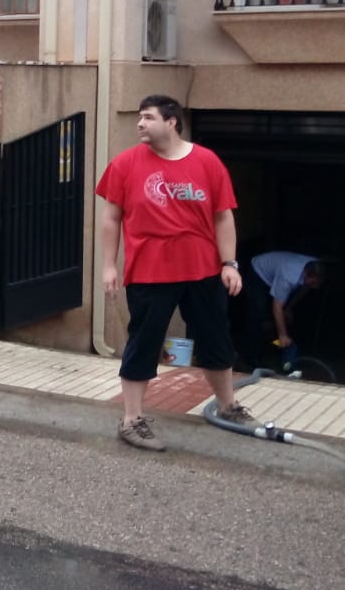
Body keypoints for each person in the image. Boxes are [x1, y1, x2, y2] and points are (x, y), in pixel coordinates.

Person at [97, 94, 256, 451]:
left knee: (216, 338)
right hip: (149, 271)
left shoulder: (207, 162)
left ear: (171, 122)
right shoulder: (124, 164)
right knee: (144, 342)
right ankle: (131, 419)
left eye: (148, 117)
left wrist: (229, 264)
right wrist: (109, 264)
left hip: (202, 270)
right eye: (139, 117)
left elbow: (223, 216)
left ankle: (228, 406)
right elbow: (110, 219)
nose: (139, 123)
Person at [245, 251, 327, 362]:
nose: (316, 287)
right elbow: (277, 307)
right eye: (313, 283)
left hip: (279, 269)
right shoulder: (288, 276)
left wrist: (289, 308)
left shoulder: (315, 266)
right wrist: (282, 335)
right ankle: (253, 357)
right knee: (257, 313)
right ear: (306, 274)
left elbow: (304, 288)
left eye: (318, 283)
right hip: (259, 271)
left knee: (285, 314)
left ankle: (279, 347)